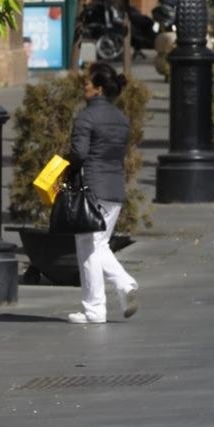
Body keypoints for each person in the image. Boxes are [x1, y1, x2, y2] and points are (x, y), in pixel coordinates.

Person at [64, 62, 140, 325]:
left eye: (87, 83)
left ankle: (94, 308)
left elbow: (79, 153)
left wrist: (65, 163)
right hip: (115, 188)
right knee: (99, 244)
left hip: (92, 188)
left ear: (97, 89)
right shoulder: (121, 118)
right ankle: (124, 284)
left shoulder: (86, 117)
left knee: (88, 247)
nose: (83, 87)